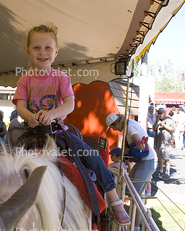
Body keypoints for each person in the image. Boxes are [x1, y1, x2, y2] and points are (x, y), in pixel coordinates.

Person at [12, 23, 130, 225]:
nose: (42, 52)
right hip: (31, 129)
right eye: (37, 47)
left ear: (56, 52)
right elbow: (21, 106)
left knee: (92, 156)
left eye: (48, 48)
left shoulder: (61, 78)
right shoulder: (25, 80)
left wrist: (51, 114)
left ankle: (113, 198)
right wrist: (28, 116)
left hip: (57, 130)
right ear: (28, 51)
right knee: (9, 157)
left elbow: (69, 105)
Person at [152, 108, 175, 180]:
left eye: (161, 113)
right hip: (158, 141)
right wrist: (156, 121)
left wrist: (164, 126)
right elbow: (154, 129)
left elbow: (173, 129)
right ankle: (161, 171)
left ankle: (167, 172)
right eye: (158, 113)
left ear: (164, 113)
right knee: (159, 157)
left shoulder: (170, 120)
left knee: (166, 157)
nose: (159, 115)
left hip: (166, 142)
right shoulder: (157, 120)